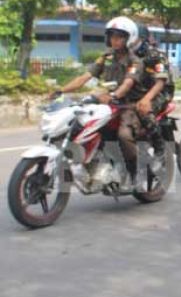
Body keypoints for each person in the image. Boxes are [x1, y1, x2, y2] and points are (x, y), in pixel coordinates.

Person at [52, 17, 144, 183]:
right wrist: (61, 90)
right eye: (111, 36)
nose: (114, 40)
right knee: (80, 124)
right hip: (106, 103)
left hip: (127, 105)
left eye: (119, 36)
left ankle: (135, 172)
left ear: (128, 38)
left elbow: (128, 83)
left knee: (124, 135)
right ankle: (91, 161)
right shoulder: (106, 57)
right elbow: (84, 77)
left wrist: (115, 96)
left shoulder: (134, 61)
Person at [133, 24, 175, 162]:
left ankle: (159, 146)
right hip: (138, 92)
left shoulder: (155, 55)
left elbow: (161, 81)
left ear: (143, 38)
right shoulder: (127, 55)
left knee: (143, 109)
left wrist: (146, 100)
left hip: (160, 93)